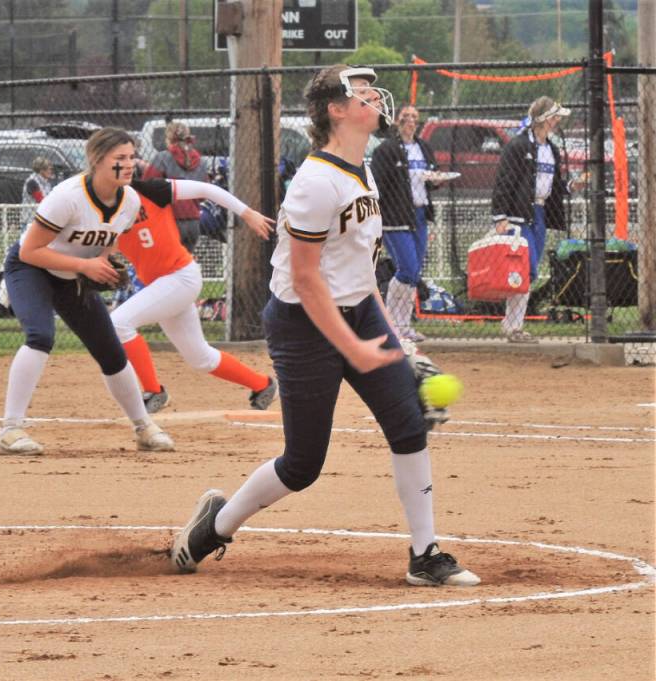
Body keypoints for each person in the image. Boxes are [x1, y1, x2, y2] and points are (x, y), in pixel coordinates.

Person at [170, 65, 479, 587]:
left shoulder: (364, 170)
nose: (374, 99)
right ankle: (214, 526)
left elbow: (362, 273)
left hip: (357, 310)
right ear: (336, 110)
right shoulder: (315, 182)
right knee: (303, 464)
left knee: (408, 425)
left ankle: (425, 555)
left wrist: (394, 342)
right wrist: (353, 349)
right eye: (362, 94)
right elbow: (307, 281)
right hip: (302, 325)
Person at [0, 127, 174, 456]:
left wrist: (104, 264)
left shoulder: (129, 200)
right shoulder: (68, 196)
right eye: (120, 158)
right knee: (40, 336)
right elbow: (29, 252)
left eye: (132, 156)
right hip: (31, 268)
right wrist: (86, 267)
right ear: (96, 160)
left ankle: (143, 426)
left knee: (110, 350)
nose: (129, 163)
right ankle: (10, 429)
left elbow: (107, 241)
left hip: (74, 275)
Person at [113, 170, 278, 413]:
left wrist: (247, 213)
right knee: (201, 359)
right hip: (162, 287)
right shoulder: (103, 209)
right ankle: (262, 385)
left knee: (118, 323)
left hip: (180, 278)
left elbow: (206, 189)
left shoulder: (152, 191)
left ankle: (154, 392)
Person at [491, 96, 580, 343]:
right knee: (525, 268)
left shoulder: (550, 149)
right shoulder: (518, 146)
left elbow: (553, 184)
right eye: (554, 116)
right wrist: (500, 216)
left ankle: (513, 326)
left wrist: (572, 185)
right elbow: (504, 182)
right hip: (518, 215)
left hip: (539, 214)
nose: (558, 121)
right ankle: (513, 326)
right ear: (543, 119)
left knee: (529, 273)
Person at [370, 103, 450, 343]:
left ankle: (403, 327)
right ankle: (392, 324)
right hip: (395, 217)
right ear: (396, 121)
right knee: (407, 269)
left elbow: (431, 176)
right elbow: (378, 186)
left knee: (414, 273)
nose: (410, 121)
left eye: (414, 117)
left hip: (419, 214)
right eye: (405, 117)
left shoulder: (423, 147)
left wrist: (435, 181)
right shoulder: (387, 150)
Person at [143, 121, 208, 253]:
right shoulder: (200, 161)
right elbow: (203, 195)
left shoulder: (163, 158)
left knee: (167, 262)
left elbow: (148, 186)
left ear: (169, 139)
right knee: (185, 263)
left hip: (170, 220)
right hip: (193, 222)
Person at [20, 156, 55, 228]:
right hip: (30, 220)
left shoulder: (46, 182)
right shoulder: (32, 182)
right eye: (48, 169)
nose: (50, 171)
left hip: (43, 218)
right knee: (25, 239)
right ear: (41, 170)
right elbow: (41, 200)